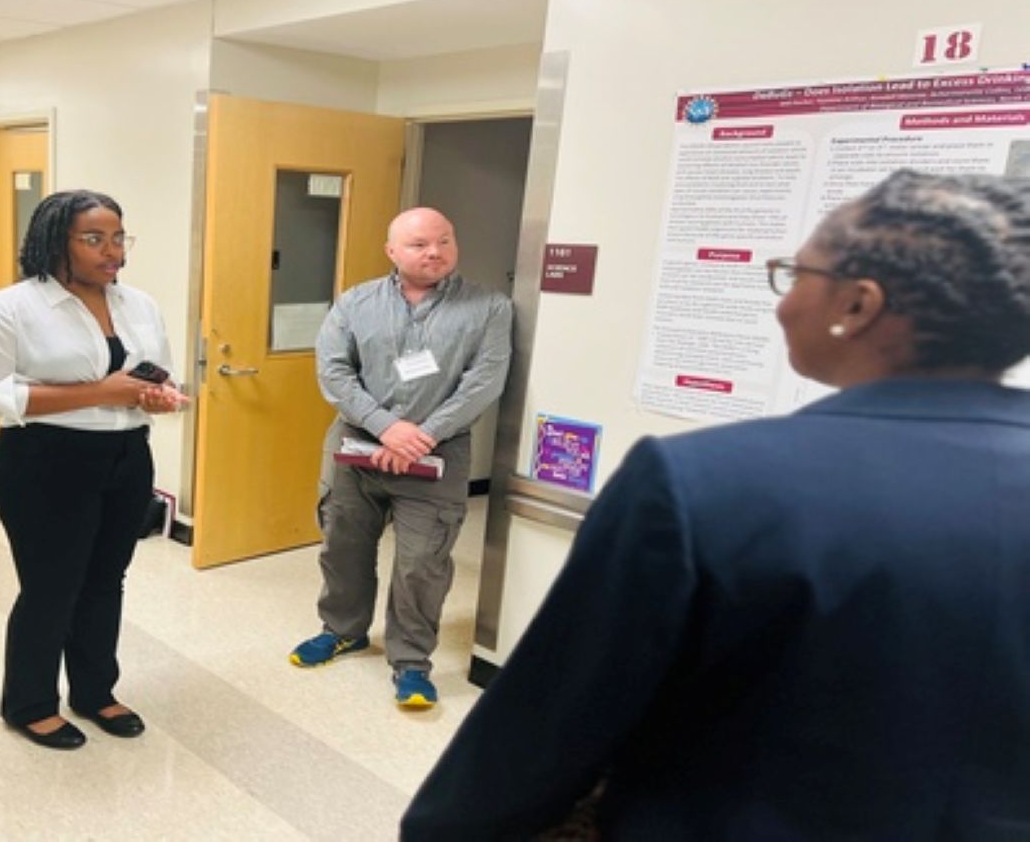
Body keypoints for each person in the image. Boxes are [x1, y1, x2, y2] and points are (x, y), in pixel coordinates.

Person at [402, 170, 1030, 839]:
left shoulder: (701, 483)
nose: (784, 301)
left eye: (794, 273)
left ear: (857, 305)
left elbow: (544, 726)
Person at [0, 189, 186, 751]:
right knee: (51, 587)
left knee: (106, 582)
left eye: (118, 237)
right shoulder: (9, 307)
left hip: (126, 457)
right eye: (94, 239)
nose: (113, 252)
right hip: (42, 462)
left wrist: (157, 397)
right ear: (54, 242)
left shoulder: (140, 305)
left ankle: (94, 691)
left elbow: (160, 379)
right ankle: (29, 703)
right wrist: (98, 392)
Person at [288, 207, 512, 709]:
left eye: (445, 241)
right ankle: (342, 631)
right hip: (355, 446)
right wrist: (387, 426)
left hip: (438, 454)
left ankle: (411, 661)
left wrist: (422, 435)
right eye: (419, 244)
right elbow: (334, 373)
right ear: (392, 251)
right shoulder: (354, 303)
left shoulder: (489, 307)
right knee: (342, 547)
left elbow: (484, 381)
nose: (435, 252)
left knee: (421, 564)